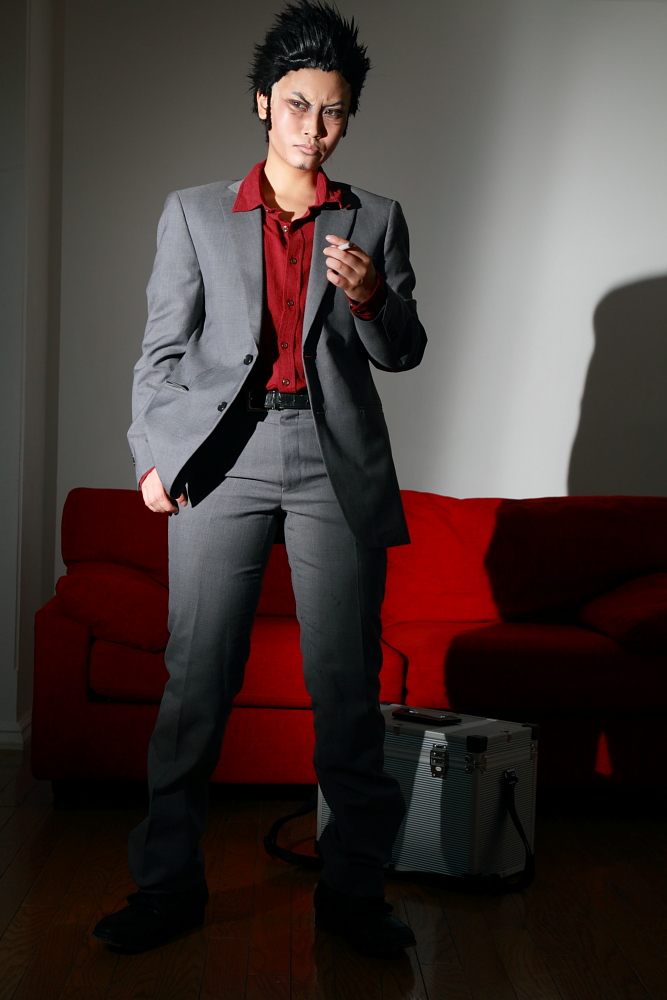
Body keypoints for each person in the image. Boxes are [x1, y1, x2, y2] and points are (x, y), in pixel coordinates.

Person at [93, 0, 426, 957]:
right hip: (220, 463)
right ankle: (167, 887)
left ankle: (353, 895)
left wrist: (370, 297)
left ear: (347, 116)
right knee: (195, 685)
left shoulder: (376, 218)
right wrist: (151, 455)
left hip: (332, 465)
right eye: (296, 106)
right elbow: (160, 354)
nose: (313, 128)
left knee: (347, 689)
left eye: (333, 111)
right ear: (262, 104)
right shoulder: (194, 213)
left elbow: (403, 350)